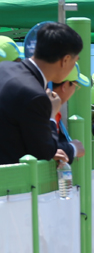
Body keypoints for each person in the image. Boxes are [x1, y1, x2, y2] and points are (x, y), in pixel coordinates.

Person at [0, 21, 83, 166]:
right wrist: (51, 116)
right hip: (10, 182)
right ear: (65, 60)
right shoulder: (35, 96)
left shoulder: (4, 68)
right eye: (75, 60)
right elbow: (44, 152)